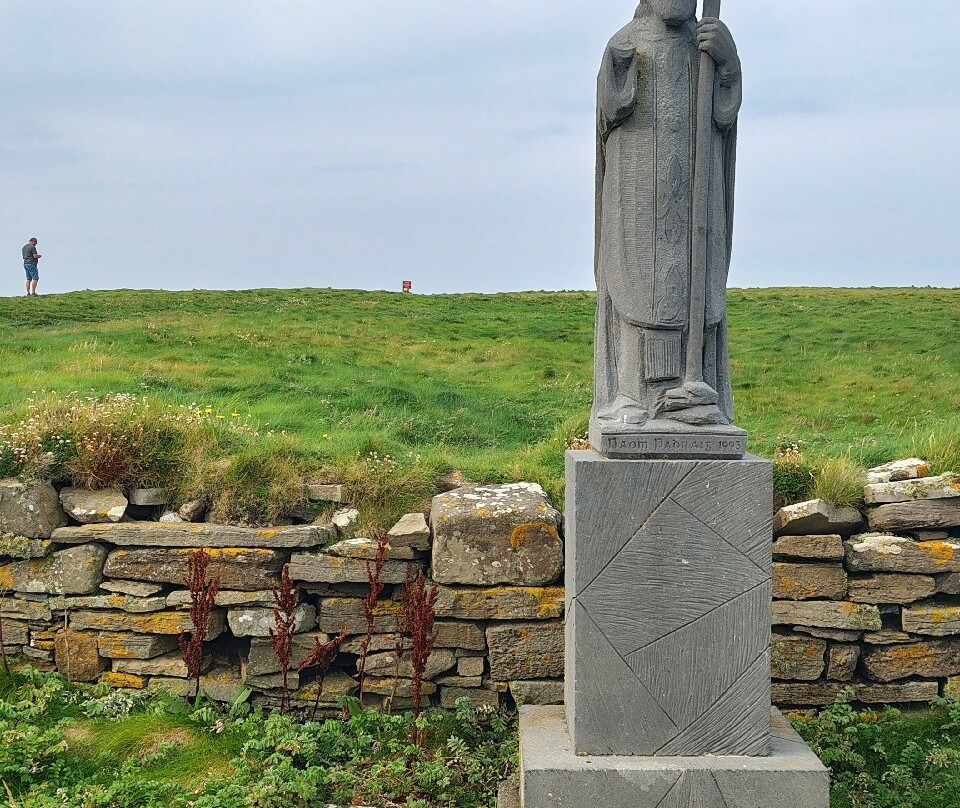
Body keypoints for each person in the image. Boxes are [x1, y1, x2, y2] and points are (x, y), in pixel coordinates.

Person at [591, 0, 741, 432]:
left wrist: (729, 68)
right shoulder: (626, 42)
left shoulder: (706, 48)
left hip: (696, 194)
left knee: (696, 290)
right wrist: (616, 75)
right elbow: (609, 112)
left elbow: (723, 117)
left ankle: (697, 392)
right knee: (638, 287)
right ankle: (631, 396)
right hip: (639, 190)